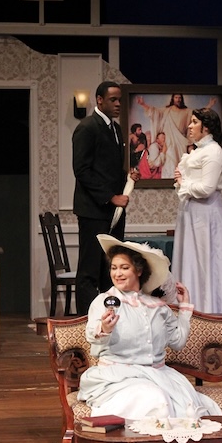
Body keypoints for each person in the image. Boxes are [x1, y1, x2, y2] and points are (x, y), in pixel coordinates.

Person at [78, 234, 222, 443]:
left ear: (138, 271)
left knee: (199, 408)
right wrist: (104, 329)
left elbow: (177, 342)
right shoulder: (104, 302)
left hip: (158, 374)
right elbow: (93, 336)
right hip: (118, 376)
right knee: (153, 400)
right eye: (114, 268)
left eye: (124, 267)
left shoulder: (157, 307)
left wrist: (185, 308)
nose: (117, 273)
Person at [171, 107, 222, 335]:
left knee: (205, 263)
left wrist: (183, 182)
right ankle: (189, 320)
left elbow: (206, 188)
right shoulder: (198, 151)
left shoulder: (213, 151)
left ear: (207, 127)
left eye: (194, 122)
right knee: (191, 261)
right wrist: (182, 180)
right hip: (191, 213)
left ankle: (211, 318)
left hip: (205, 216)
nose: (189, 126)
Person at [72, 80, 140, 316]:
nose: (118, 104)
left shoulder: (116, 129)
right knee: (89, 269)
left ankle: (109, 319)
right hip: (93, 211)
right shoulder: (87, 128)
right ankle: (86, 322)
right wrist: (111, 197)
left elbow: (108, 170)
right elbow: (82, 170)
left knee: (109, 268)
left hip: (113, 213)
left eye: (120, 99)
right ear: (99, 100)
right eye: (113, 100)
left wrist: (127, 177)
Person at [136, 93, 190, 178]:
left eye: (180, 98)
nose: (178, 99)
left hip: (180, 143)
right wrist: (143, 104)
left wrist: (209, 105)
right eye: (176, 97)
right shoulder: (167, 110)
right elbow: (154, 112)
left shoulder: (186, 111)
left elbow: (197, 115)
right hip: (168, 142)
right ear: (173, 99)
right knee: (169, 162)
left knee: (181, 164)